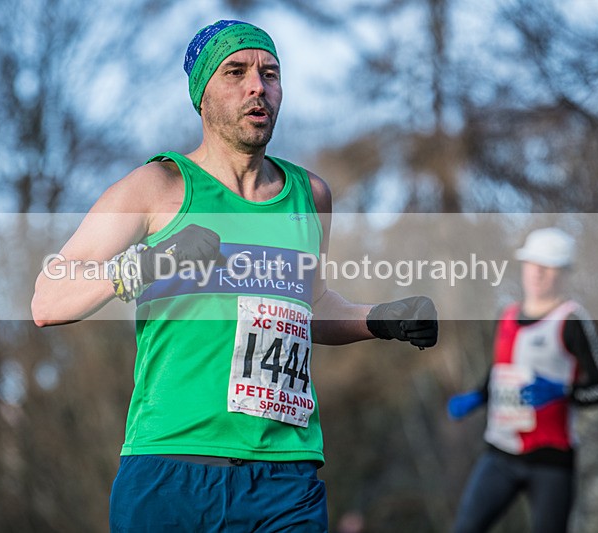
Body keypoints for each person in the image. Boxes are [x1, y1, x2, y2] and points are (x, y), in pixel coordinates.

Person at [31, 20, 438, 532]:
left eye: (270, 73)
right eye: (236, 72)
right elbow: (48, 300)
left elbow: (309, 306)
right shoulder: (159, 187)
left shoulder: (310, 197)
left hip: (285, 479)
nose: (257, 86)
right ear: (202, 95)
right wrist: (150, 263)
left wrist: (379, 319)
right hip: (172, 469)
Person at [447, 227, 598, 533]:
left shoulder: (573, 319)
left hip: (551, 461)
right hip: (499, 454)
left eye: (547, 268)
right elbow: (501, 369)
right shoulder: (506, 314)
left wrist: (563, 392)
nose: (537, 274)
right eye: (532, 264)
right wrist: (478, 396)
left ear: (563, 274)